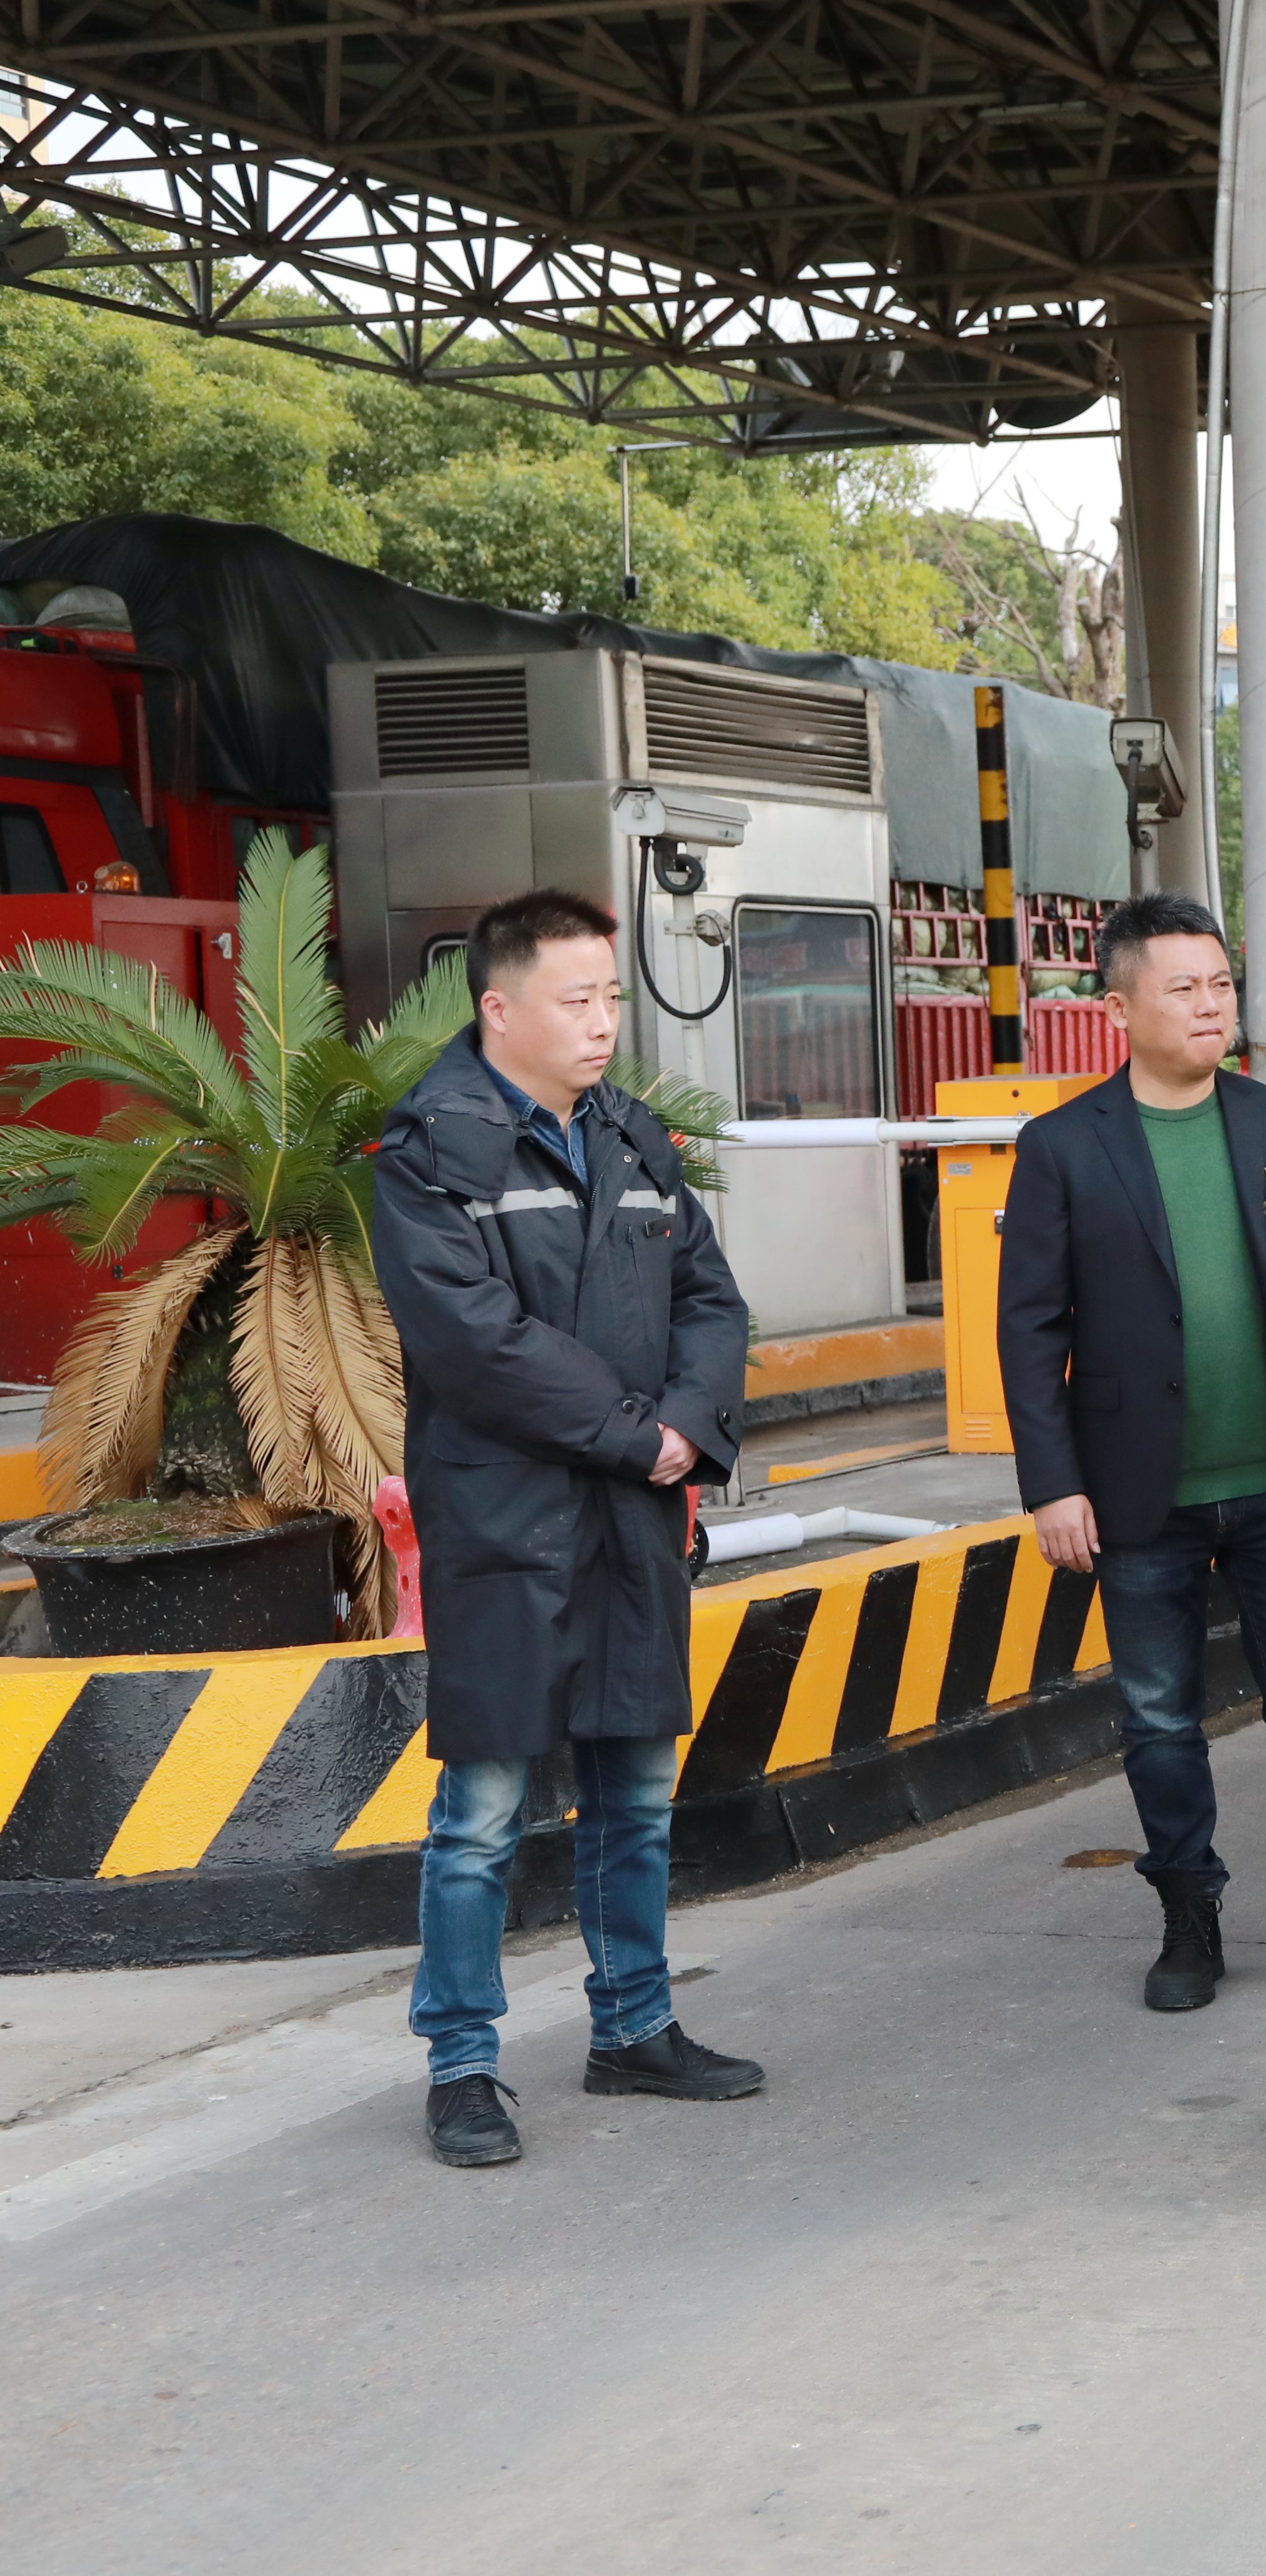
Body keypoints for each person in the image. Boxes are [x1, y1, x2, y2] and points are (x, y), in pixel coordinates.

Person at [370, 888, 757, 2170]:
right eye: (577, 999)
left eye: (611, 997)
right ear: (500, 1007)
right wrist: (640, 1435)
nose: (603, 1022)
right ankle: (462, 2063)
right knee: (481, 1808)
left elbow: (710, 1296)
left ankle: (634, 2024)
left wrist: (690, 1422)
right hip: (507, 1519)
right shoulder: (432, 1152)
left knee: (634, 1790)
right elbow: (477, 1344)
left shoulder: (632, 1137)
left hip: (630, 1514)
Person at [997, 893, 1266, 2013]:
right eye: (1184, 988)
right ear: (1119, 1008)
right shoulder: (1064, 1145)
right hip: (1136, 1493)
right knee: (1160, 1717)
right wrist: (1053, 1483)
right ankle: (1188, 1911)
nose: (1211, 1006)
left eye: (1221, 985)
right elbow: (1029, 1329)